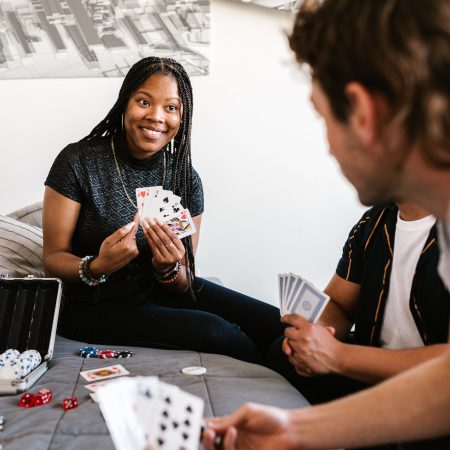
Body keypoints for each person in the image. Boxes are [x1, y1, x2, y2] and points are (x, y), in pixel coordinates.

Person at [202, 0, 450, 448]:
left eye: (323, 117)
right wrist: (294, 431)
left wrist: (338, 356)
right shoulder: (382, 223)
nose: (330, 149)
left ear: (361, 112)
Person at [42, 56, 284, 365]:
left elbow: (184, 280)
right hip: (94, 307)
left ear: (182, 117)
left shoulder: (185, 178)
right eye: (144, 101)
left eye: (171, 108)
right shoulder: (77, 161)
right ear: (125, 104)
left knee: (280, 325)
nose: (156, 117)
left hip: (160, 292)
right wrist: (97, 266)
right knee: (223, 334)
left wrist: (168, 269)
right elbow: (52, 258)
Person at [267, 201, 449, 404]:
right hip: (367, 366)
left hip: (429, 396)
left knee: (276, 353)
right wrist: (317, 332)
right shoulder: (375, 220)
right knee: (283, 348)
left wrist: (337, 355)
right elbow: (339, 305)